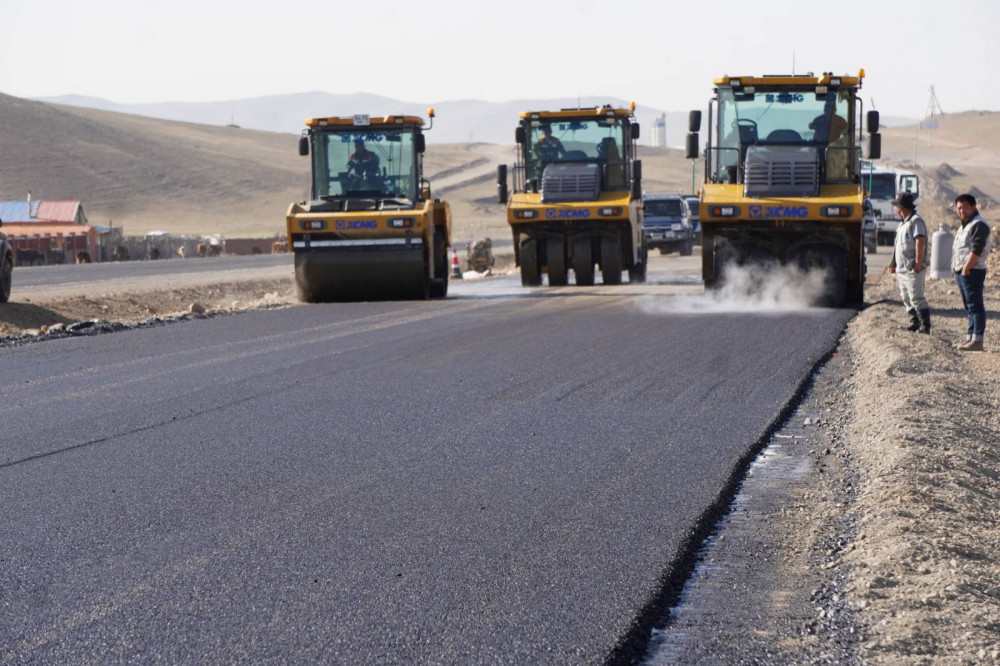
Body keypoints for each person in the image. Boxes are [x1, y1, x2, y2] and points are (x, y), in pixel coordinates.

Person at [952, 193, 991, 351]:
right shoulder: (965, 224)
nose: (962, 211)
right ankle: (970, 337)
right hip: (963, 270)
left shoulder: (978, 224)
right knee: (969, 306)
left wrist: (966, 268)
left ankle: (977, 340)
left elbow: (976, 249)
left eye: (965, 207)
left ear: (974, 207)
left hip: (972, 270)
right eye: (959, 208)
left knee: (975, 305)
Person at [887, 192, 930, 333]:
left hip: (912, 268)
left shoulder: (915, 221)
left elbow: (920, 241)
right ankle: (914, 322)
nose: (894, 208)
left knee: (916, 297)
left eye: (896, 206)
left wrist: (918, 262)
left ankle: (925, 326)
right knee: (906, 297)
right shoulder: (902, 224)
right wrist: (892, 263)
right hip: (902, 269)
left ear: (901, 208)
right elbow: (897, 247)